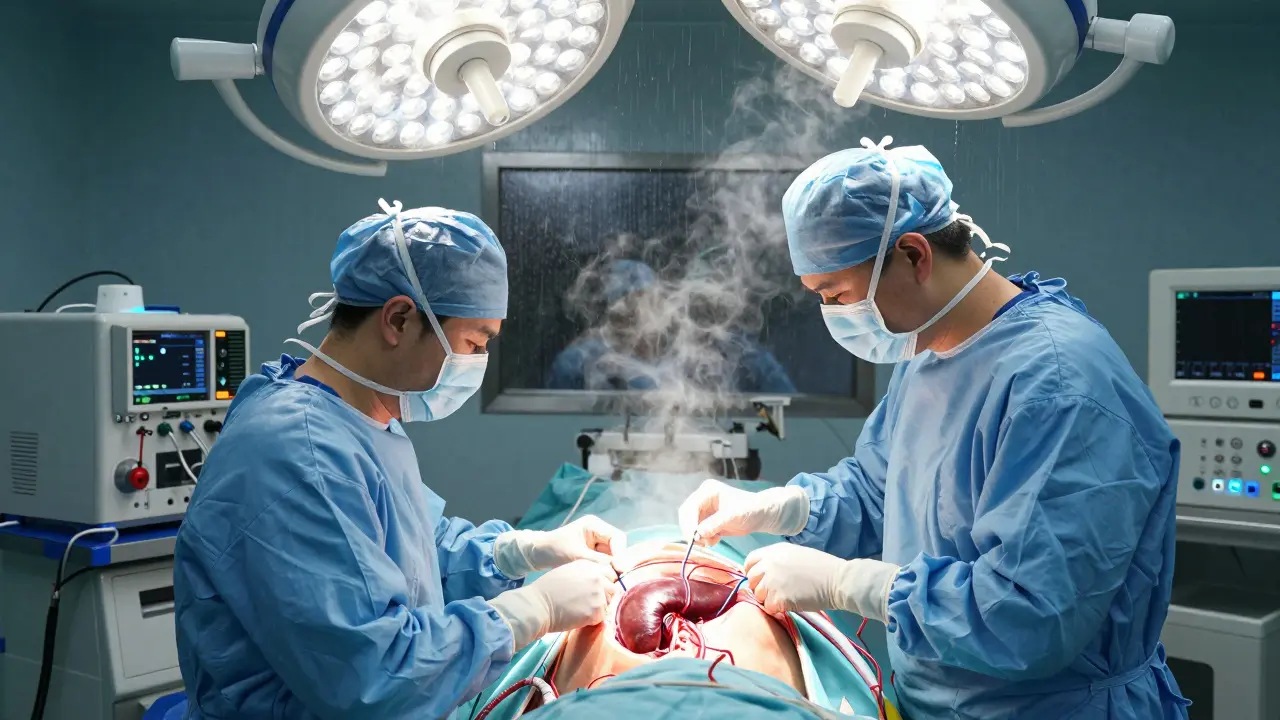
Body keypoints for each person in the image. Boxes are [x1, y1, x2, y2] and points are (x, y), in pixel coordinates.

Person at [677, 138, 1191, 719]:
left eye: (837, 294)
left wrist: (850, 584)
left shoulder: (1062, 384)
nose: (834, 316)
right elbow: (880, 491)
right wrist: (785, 507)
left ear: (915, 255)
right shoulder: (930, 353)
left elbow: (1032, 614)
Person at [170, 200, 626, 719]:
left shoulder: (361, 421)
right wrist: (534, 609)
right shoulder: (299, 453)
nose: (477, 363)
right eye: (474, 342)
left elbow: (409, 555)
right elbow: (373, 676)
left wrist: (520, 551)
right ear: (399, 318)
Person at [547, 259, 796, 393]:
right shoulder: (579, 363)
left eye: (651, 301)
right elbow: (554, 426)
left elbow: (790, 407)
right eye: (629, 307)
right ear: (611, 313)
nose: (643, 314)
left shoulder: (702, 354)